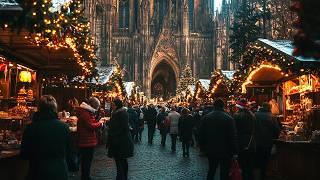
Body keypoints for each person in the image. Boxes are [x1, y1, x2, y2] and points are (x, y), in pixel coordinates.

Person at [21, 95, 72, 180]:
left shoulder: (31, 127)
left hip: (37, 172)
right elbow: (70, 152)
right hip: (60, 172)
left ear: (39, 108)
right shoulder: (64, 127)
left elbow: (24, 154)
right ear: (55, 108)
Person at [199, 98, 238, 180]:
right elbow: (232, 136)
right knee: (224, 172)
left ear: (214, 105)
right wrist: (234, 151)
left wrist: (202, 148)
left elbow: (201, 134)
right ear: (223, 106)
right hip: (226, 150)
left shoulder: (206, 118)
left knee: (211, 170)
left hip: (211, 149)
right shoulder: (229, 118)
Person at [76, 97, 104, 180]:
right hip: (86, 141)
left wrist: (98, 121)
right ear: (94, 106)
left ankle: (86, 176)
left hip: (87, 140)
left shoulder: (88, 112)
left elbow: (91, 123)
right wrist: (100, 124)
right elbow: (90, 126)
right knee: (86, 161)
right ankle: (85, 177)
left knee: (86, 161)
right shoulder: (86, 113)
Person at [107, 99, 134, 180]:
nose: (112, 106)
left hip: (119, 143)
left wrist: (112, 134)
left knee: (119, 162)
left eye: (113, 105)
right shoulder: (121, 113)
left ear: (117, 105)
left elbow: (120, 128)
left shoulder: (119, 113)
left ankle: (120, 178)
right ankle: (123, 177)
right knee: (123, 161)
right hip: (122, 142)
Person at [255, 103, 281, 180]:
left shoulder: (255, 115)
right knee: (266, 159)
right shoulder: (272, 116)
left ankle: (259, 174)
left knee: (259, 158)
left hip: (257, 141)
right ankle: (264, 175)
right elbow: (276, 129)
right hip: (268, 141)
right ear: (269, 108)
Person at [234, 99, 257, 180]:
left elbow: (235, 130)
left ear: (238, 108)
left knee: (242, 165)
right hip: (251, 143)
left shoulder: (237, 116)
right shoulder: (252, 115)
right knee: (250, 166)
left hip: (241, 143)